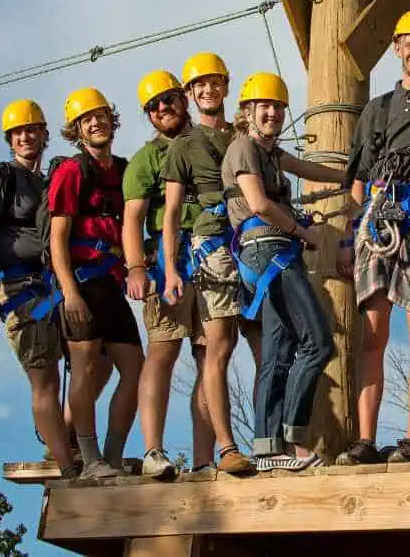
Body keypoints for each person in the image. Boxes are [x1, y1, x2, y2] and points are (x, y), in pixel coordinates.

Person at [334, 10, 410, 465]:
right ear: (398, 49)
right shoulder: (375, 108)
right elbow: (358, 179)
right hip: (375, 219)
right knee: (373, 333)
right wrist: (350, 236)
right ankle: (365, 439)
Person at [222, 72, 342, 471]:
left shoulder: (271, 153)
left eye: (277, 107)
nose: (273, 113)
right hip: (269, 250)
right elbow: (257, 203)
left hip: (270, 254)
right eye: (264, 107)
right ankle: (293, 439)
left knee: (278, 353)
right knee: (318, 343)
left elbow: (308, 168)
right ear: (248, 112)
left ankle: (266, 446)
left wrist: (350, 175)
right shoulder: (243, 147)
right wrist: (303, 231)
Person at [0, 100, 77, 478]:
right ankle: (66, 466)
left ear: (44, 134)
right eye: (19, 132)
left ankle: (62, 437)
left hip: (52, 282)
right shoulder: (4, 177)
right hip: (18, 287)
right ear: (10, 140)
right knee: (43, 375)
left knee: (90, 361)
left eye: (33, 129)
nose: (27, 137)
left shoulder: (47, 179)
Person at [161, 52, 256, 474]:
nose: (207, 90)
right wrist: (169, 270)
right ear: (190, 94)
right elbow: (170, 213)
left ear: (225, 86)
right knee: (218, 345)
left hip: (252, 241)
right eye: (199, 85)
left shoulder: (243, 138)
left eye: (214, 83)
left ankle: (272, 439)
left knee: (264, 342)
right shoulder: (184, 146)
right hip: (212, 245)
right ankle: (226, 446)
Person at [122, 70, 216, 479]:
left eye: (169, 99)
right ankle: (152, 452)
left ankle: (203, 459)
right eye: (154, 105)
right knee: (163, 351)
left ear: (183, 98)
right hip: (168, 260)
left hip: (213, 255)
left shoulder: (209, 142)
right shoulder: (147, 159)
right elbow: (133, 219)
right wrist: (137, 268)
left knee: (210, 355)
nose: (163, 108)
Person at [48, 88, 144, 479]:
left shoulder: (121, 170)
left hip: (110, 283)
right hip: (82, 283)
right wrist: (69, 292)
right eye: (87, 118)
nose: (97, 121)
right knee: (86, 368)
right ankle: (89, 460)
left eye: (102, 114)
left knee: (135, 367)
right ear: (77, 129)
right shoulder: (72, 172)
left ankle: (113, 455)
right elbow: (58, 236)